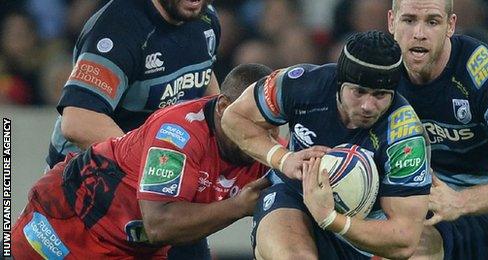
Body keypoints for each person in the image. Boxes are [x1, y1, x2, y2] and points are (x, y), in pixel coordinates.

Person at [11, 64, 273, 259]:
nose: (266, 136)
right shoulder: (177, 134)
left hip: (134, 247)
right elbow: (158, 224)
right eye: (254, 123)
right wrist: (239, 206)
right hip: (70, 223)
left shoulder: (272, 150)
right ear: (224, 107)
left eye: (273, 125)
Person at [222, 31, 432, 259]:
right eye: (359, 92)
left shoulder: (405, 136)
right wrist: (282, 158)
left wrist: (330, 218)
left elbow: (404, 239)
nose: (367, 106)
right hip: (291, 197)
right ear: (339, 82)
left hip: (360, 231)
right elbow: (233, 118)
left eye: (380, 94)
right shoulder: (301, 83)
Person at [44, 0, 221, 257]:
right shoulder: (118, 26)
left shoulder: (206, 19)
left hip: (158, 189)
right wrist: (157, 172)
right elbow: (79, 120)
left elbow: (203, 77)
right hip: (89, 194)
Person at [386, 0, 488, 259]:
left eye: (432, 22)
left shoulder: (486, 75)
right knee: (410, 245)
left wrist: (459, 202)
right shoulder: (379, 72)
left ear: (450, 25)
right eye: (409, 20)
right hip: (425, 203)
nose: (419, 33)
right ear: (391, 22)